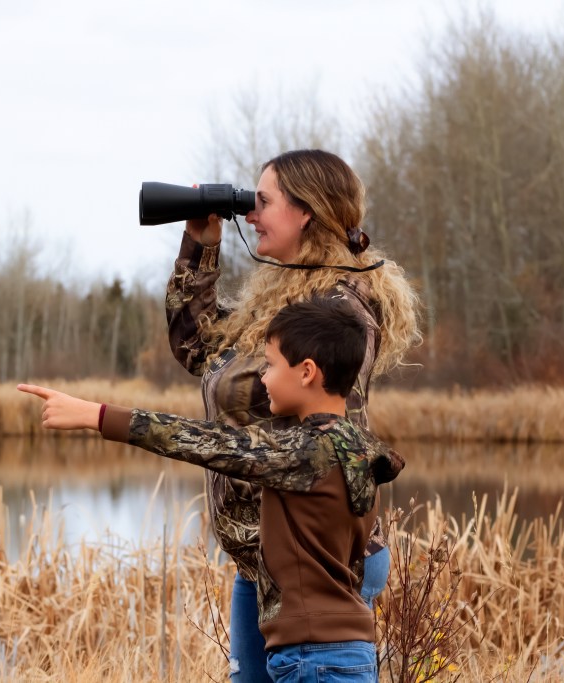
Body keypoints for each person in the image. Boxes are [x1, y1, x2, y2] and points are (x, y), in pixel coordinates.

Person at [17, 297, 405, 682]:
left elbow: (204, 440)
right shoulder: (359, 448)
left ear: (307, 372)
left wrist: (95, 415)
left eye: (269, 366)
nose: (263, 378)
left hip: (313, 657)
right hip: (348, 648)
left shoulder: (302, 451)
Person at [166, 149, 422, 681]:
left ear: (306, 213)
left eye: (262, 203)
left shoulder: (340, 309)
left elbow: (282, 412)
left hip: (313, 559)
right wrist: (201, 246)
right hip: (264, 557)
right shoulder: (284, 302)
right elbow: (197, 347)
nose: (250, 215)